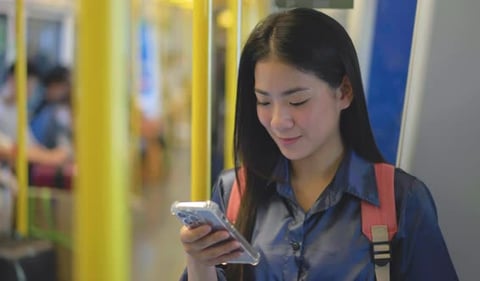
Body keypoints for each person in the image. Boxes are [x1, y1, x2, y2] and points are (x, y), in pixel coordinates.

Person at [178, 8, 458, 281]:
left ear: (344, 92)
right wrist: (198, 261)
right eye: (263, 101)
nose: (278, 121)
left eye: (297, 101)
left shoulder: (401, 201)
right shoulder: (234, 192)